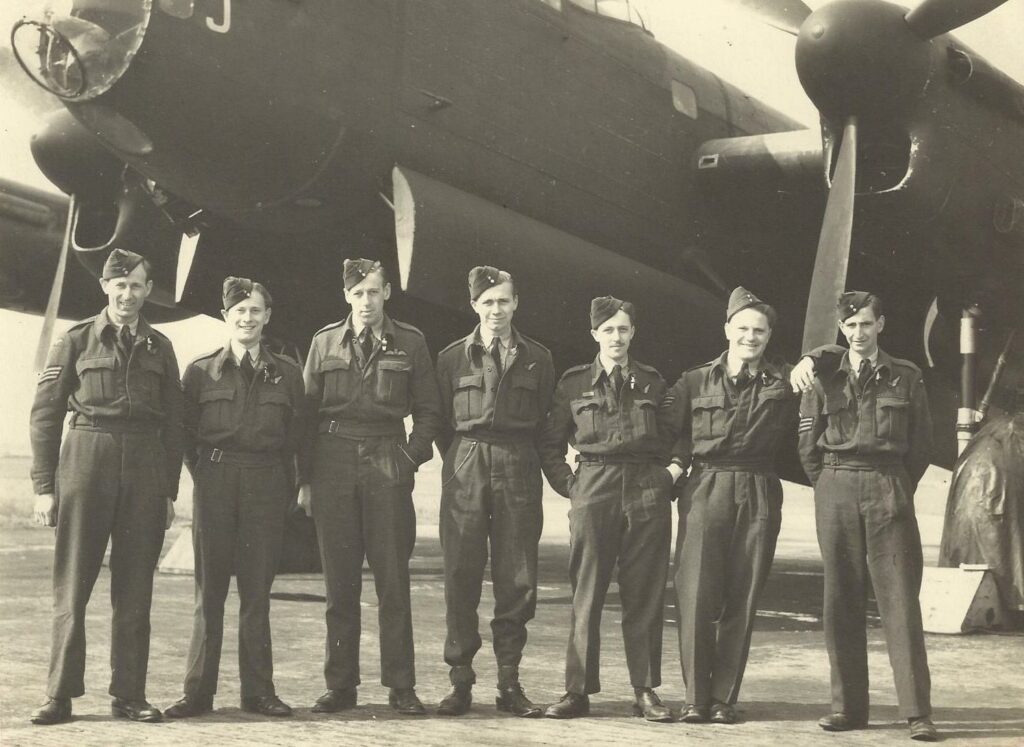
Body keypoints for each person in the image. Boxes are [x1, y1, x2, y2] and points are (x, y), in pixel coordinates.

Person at [662, 286, 834, 725]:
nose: (750, 337)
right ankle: (696, 698)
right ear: (727, 329)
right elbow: (668, 432)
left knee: (745, 591)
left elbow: (837, 356)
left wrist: (812, 357)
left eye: (759, 330)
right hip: (705, 486)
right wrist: (676, 469)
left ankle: (723, 699)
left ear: (769, 336)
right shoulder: (694, 380)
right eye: (742, 328)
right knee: (696, 593)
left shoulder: (786, 381)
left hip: (758, 485)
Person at [28, 248, 183, 725]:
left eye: (137, 285)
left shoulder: (160, 346)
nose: (128, 294)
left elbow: (175, 424)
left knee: (135, 589)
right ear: (105, 287)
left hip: (143, 466)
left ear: (147, 291)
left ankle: (129, 693)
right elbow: (45, 415)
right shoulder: (75, 340)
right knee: (73, 586)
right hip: (86, 459)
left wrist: (168, 491)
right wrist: (43, 486)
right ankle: (59, 695)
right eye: (120, 285)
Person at [298, 259, 442, 716]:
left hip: (386, 458)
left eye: (374, 292)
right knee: (340, 586)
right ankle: (340, 685)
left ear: (387, 295)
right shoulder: (324, 343)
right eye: (358, 293)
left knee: (393, 583)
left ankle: (401, 685)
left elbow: (429, 412)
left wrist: (406, 459)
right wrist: (305, 479)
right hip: (333, 460)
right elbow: (305, 416)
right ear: (346, 296)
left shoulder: (411, 342)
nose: (366, 301)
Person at [798, 291, 937, 742]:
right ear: (841, 329)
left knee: (899, 601)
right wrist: (829, 483)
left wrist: (892, 483)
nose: (858, 333)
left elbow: (921, 446)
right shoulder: (823, 377)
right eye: (850, 325)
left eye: (866, 324)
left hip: (887, 487)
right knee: (840, 600)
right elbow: (808, 445)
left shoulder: (906, 376)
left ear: (881, 325)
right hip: (836, 487)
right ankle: (848, 708)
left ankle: (917, 713)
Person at [164, 277, 304, 719]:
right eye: (239, 311)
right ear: (226, 317)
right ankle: (197, 693)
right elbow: (183, 435)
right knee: (210, 593)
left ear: (267, 317)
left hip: (265, 482)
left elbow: (296, 438)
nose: (247, 318)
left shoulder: (287, 373)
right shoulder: (201, 371)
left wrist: (281, 483)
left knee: (257, 593)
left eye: (255, 311)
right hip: (216, 481)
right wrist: (206, 472)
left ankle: (259, 692)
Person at [539, 296, 674, 722]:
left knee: (645, 594)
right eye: (608, 329)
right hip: (593, 487)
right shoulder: (574, 383)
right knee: (587, 592)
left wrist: (668, 478)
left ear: (633, 333)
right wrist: (572, 488)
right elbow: (549, 443)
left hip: (645, 489)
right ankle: (577, 691)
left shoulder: (653, 382)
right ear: (594, 334)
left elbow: (675, 437)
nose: (616, 337)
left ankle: (646, 689)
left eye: (623, 329)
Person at [433, 266, 555, 717]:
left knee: (517, 577)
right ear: (474, 306)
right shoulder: (451, 358)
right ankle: (460, 681)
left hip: (518, 463)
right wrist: (465, 458)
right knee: (460, 574)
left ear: (516, 303)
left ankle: (509, 683)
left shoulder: (538, 358)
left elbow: (544, 419)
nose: (496, 309)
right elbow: (444, 423)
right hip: (466, 461)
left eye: (504, 300)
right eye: (487, 302)